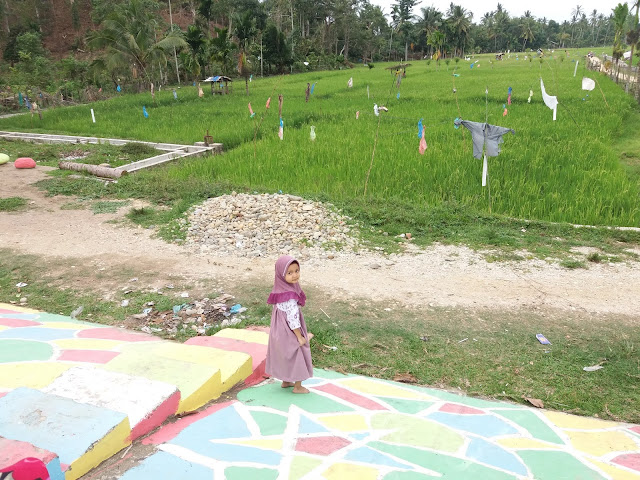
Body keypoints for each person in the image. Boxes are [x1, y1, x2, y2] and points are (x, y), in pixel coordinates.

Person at [265, 255, 313, 394]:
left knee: (286, 353)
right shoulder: (290, 296)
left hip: (279, 329)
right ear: (281, 274)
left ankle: (286, 381)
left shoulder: (280, 290)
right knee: (299, 352)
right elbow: (293, 319)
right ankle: (298, 387)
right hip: (291, 329)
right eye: (289, 273)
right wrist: (299, 337)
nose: (294, 275)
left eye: (297, 270)